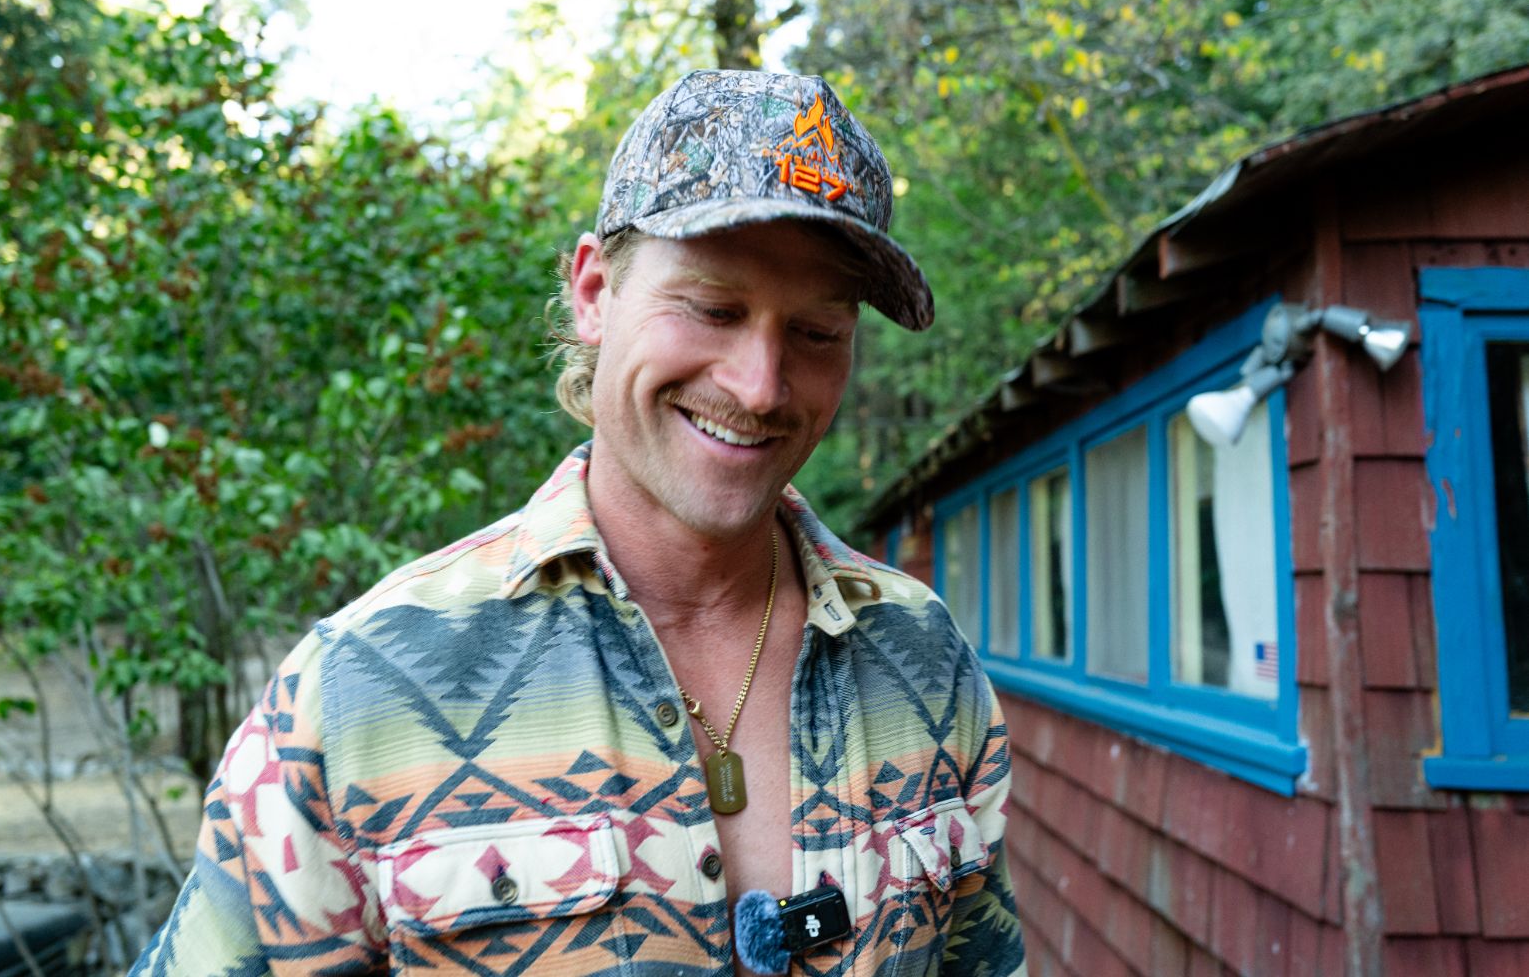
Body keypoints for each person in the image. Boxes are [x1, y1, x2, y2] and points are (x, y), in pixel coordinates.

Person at [133, 70, 1024, 976]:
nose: (760, 386)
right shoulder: (362, 692)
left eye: (818, 333)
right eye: (712, 309)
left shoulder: (923, 659)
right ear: (594, 291)